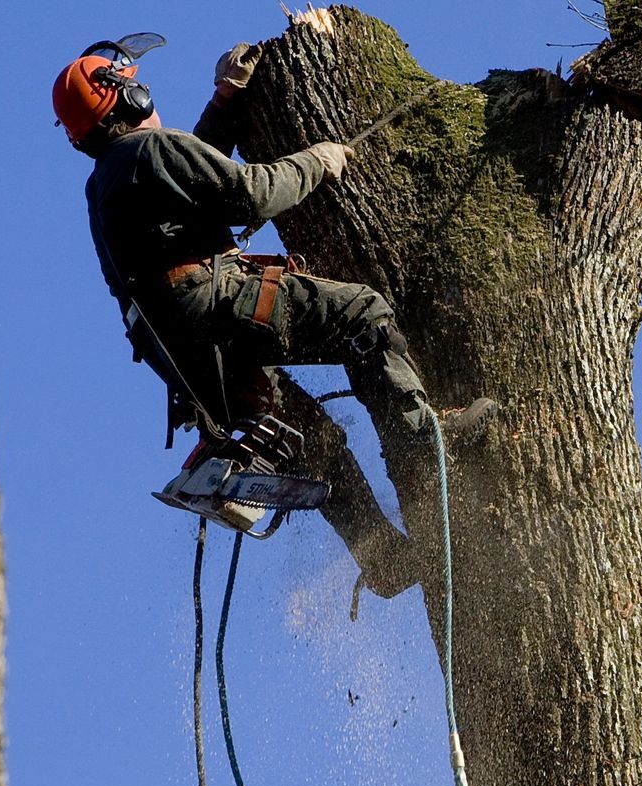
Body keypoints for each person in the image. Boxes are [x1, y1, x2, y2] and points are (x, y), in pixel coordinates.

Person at [52, 33, 490, 527]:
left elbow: (192, 178)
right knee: (363, 314)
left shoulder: (110, 179)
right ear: (128, 98)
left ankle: (385, 557)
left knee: (304, 434)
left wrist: (225, 102)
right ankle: (420, 448)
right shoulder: (150, 148)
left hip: (182, 352)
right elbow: (248, 194)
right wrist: (315, 162)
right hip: (215, 303)